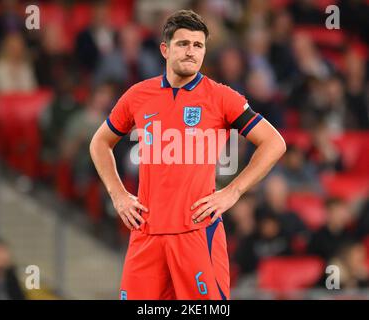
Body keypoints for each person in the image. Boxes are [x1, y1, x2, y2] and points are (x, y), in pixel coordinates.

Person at [90, 10, 286, 300]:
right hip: (146, 233)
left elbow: (274, 142)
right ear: (165, 49)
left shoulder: (222, 97)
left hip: (196, 232)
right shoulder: (138, 95)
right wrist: (118, 194)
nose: (191, 51)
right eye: (183, 44)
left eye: (198, 45)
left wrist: (233, 192)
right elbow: (100, 142)